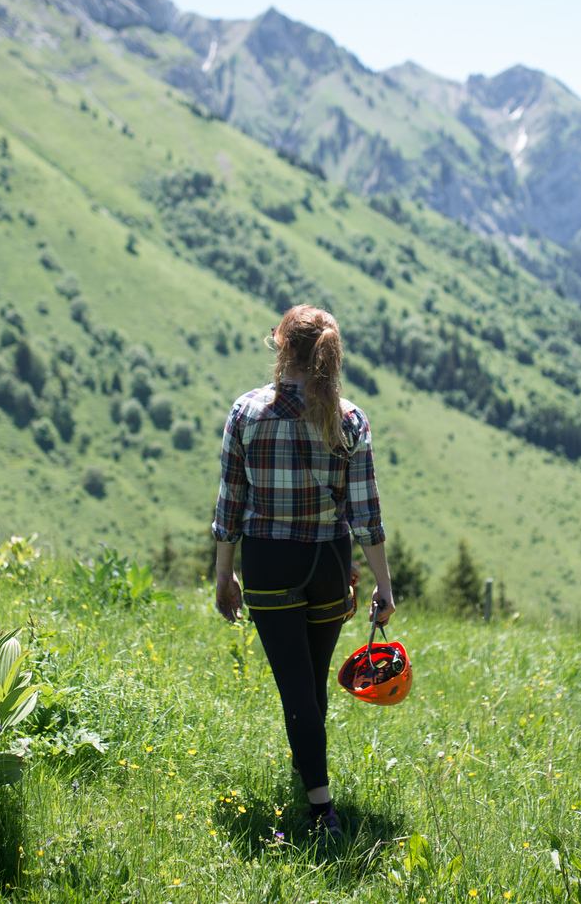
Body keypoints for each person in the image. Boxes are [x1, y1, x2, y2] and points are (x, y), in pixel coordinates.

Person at [211, 304, 395, 838]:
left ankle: (320, 808)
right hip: (330, 564)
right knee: (310, 683)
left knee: (296, 686)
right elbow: (366, 514)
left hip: (269, 561)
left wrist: (224, 577)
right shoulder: (350, 418)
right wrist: (383, 584)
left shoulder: (247, 413)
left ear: (281, 348)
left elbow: (229, 508)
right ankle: (309, 771)